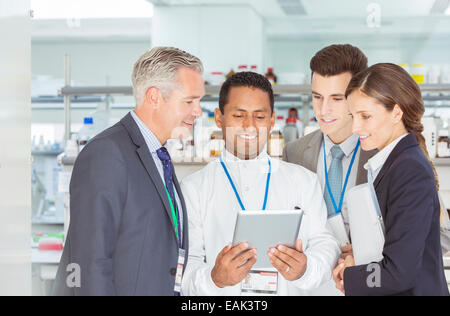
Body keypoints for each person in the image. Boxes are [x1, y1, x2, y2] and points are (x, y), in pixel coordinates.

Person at [52, 47, 205, 296]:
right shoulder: (107, 154)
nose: (198, 111)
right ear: (154, 97)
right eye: (189, 101)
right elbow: (90, 262)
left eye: (199, 101)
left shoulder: (158, 155)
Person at [181, 72, 340, 296]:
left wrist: (305, 269)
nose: (249, 126)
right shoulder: (193, 188)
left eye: (259, 116)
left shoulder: (303, 181)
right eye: (238, 115)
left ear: (272, 120)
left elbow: (325, 244)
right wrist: (214, 278)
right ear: (219, 118)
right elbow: (185, 270)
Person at [333, 63, 449, 296]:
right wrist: (362, 255)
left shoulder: (409, 170)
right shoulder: (393, 163)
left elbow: (399, 272)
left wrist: (350, 276)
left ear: (396, 113)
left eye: (365, 116)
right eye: (353, 116)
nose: (355, 127)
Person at [283, 44, 377, 295]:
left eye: (336, 98)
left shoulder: (387, 151)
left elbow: (441, 235)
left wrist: (373, 251)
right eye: (317, 97)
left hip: (371, 283)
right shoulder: (293, 153)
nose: (323, 110)